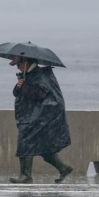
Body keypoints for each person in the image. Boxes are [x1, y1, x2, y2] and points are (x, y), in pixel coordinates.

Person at [9, 55, 73, 183]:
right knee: (44, 147)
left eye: (18, 64)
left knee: (25, 142)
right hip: (29, 115)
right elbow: (17, 93)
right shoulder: (27, 75)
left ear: (26, 62)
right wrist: (18, 86)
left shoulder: (40, 76)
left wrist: (24, 87)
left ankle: (25, 176)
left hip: (38, 117)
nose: (17, 67)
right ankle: (64, 167)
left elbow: (41, 94)